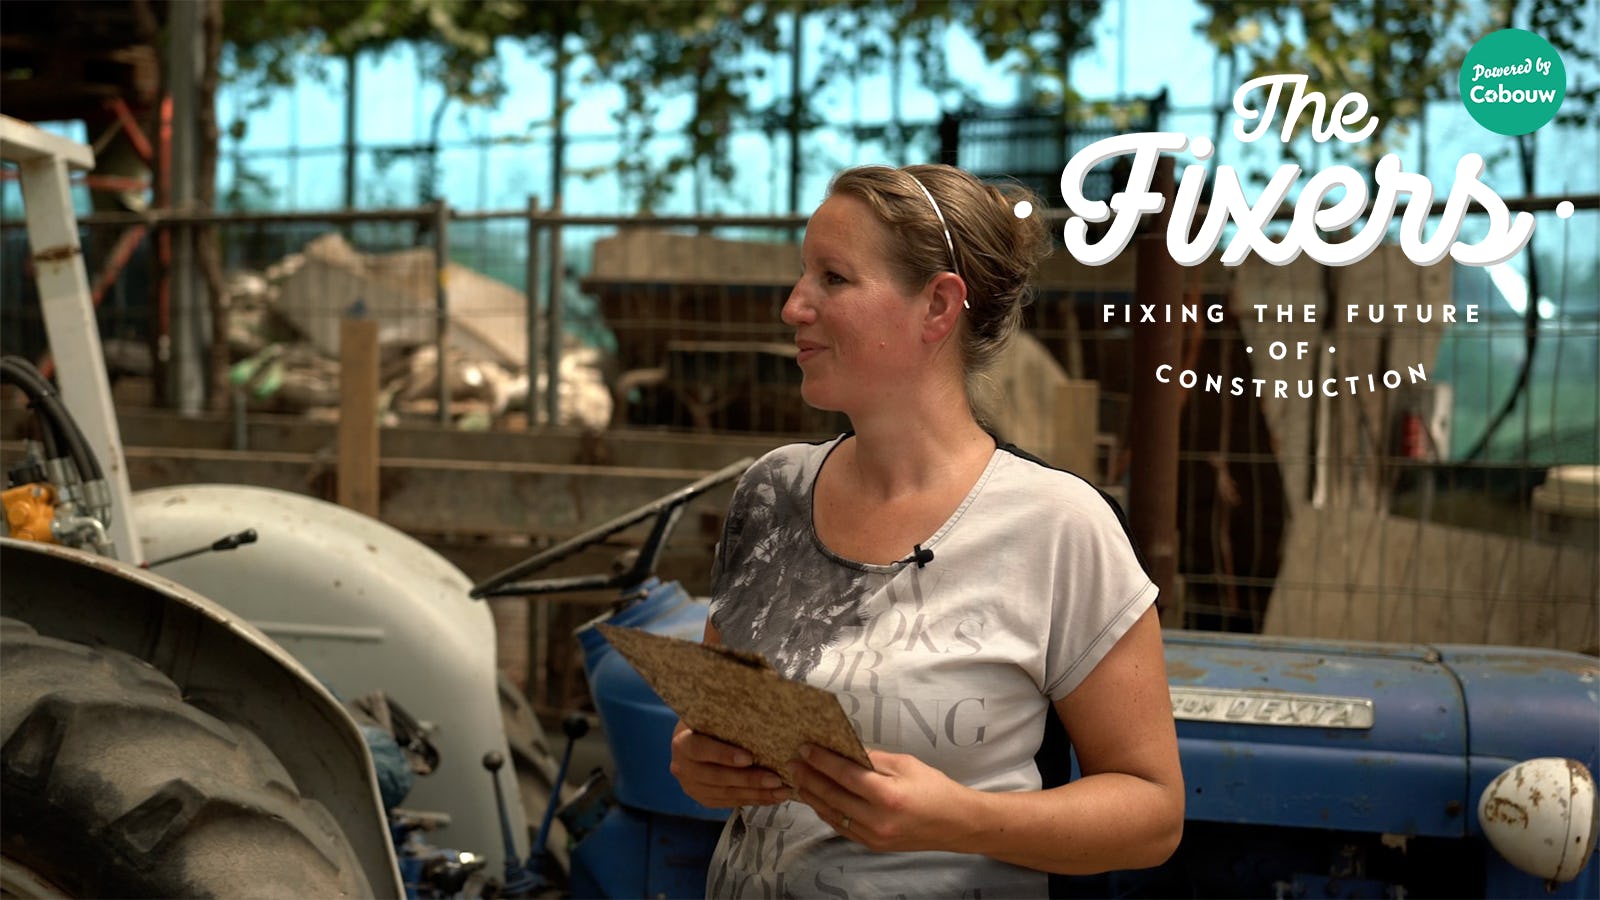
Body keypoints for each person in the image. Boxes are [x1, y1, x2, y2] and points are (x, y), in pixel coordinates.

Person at [669, 163, 1184, 898]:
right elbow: (720, 726)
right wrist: (700, 760)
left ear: (937, 307)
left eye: (833, 279)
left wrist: (961, 820)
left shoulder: (1058, 526)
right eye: (801, 275)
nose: (793, 307)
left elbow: (1153, 815)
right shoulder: (771, 493)